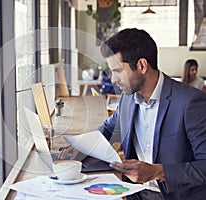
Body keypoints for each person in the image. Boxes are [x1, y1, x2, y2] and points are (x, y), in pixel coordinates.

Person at [60, 28, 206, 200]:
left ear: (142, 66)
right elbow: (108, 130)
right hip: (134, 193)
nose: (113, 79)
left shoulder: (190, 102)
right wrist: (81, 146)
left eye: (118, 71)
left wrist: (157, 172)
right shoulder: (127, 99)